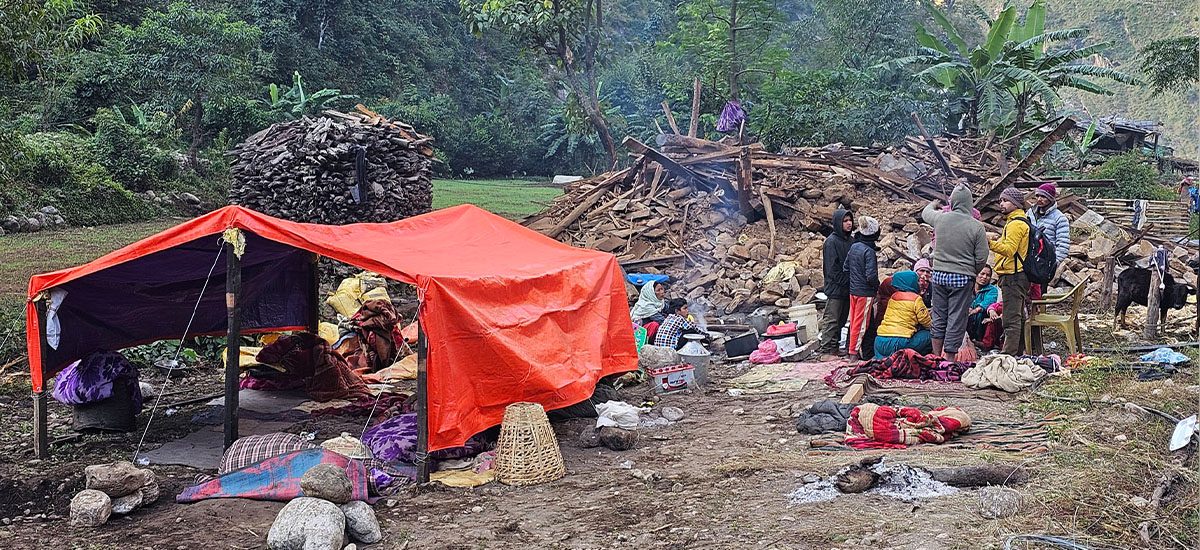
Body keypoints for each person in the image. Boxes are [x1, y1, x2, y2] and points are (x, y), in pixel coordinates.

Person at [921, 184, 990, 360]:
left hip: (939, 276)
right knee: (956, 318)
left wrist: (933, 204)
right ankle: (949, 359)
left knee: (938, 316)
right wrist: (972, 272)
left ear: (953, 202)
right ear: (970, 203)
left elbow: (925, 213)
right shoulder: (976, 226)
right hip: (962, 278)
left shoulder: (941, 219)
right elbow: (982, 257)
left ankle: (936, 356)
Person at [989, 187, 1031, 356]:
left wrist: (990, 243)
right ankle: (1017, 351)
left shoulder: (1015, 224)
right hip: (1018, 275)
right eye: (1000, 201)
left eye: (1005, 201)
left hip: (1013, 276)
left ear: (1015, 203)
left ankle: (1009, 354)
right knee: (1018, 316)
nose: (1001, 204)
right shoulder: (1019, 221)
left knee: (1010, 318)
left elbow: (1009, 250)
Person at [873, 271, 933, 359]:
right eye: (917, 281)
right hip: (900, 342)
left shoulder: (893, 297)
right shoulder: (916, 299)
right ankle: (911, 359)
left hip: (879, 341)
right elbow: (925, 321)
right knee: (930, 335)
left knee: (883, 360)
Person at [844, 216, 881, 360]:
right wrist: (876, 288)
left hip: (853, 290)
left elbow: (846, 267)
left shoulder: (854, 246)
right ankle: (853, 353)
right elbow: (871, 276)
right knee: (861, 324)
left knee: (854, 321)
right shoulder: (869, 251)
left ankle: (852, 350)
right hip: (864, 293)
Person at [818, 209, 854, 356]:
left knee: (841, 320)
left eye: (850, 220)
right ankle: (826, 350)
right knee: (831, 320)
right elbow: (832, 269)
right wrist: (846, 281)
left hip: (848, 288)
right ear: (838, 223)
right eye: (845, 221)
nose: (849, 223)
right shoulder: (831, 242)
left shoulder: (851, 241)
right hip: (836, 288)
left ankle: (835, 347)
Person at [1027, 182, 1070, 300]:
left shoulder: (1060, 218)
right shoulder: (1030, 214)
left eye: (1043, 196)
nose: (1039, 199)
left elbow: (1063, 244)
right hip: (1028, 259)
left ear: (1050, 199)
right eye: (1038, 196)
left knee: (1040, 294)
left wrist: (1053, 263)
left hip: (1044, 262)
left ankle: (1039, 315)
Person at [967, 266, 1000, 341]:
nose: (984, 277)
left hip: (981, 323)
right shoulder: (967, 287)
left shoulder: (992, 290)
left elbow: (988, 302)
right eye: (982, 274)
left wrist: (974, 310)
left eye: (988, 275)